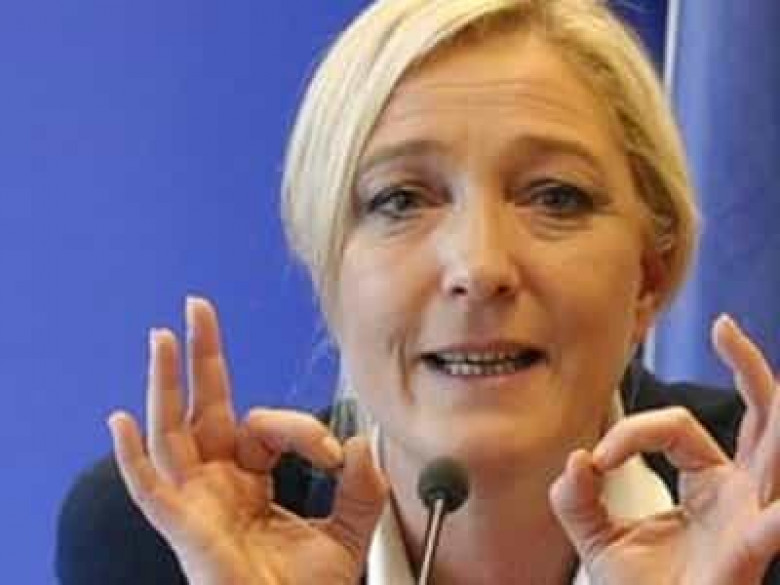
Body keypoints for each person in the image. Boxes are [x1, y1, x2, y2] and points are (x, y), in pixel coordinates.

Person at [56, 1, 780, 583]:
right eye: (401, 200)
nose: (480, 266)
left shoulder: (765, 521)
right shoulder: (156, 544)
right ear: (329, 272)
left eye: (554, 196)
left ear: (649, 276)